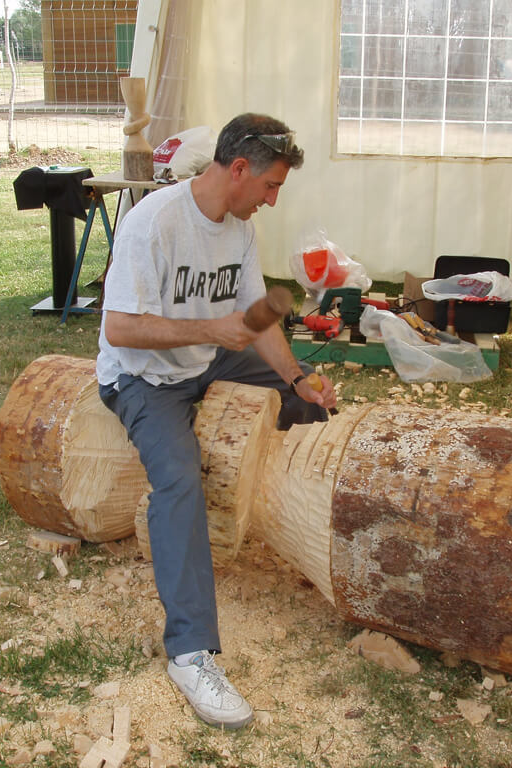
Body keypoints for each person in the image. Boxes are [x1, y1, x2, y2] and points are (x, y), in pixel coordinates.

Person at [96, 113, 337, 729]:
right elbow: (119, 327)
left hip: (202, 358)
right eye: (271, 186)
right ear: (237, 170)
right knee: (179, 480)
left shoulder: (239, 230)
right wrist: (212, 331)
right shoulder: (153, 222)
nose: (273, 198)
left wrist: (297, 379)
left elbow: (256, 318)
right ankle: (189, 652)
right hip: (143, 377)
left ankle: (321, 521)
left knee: (309, 403)